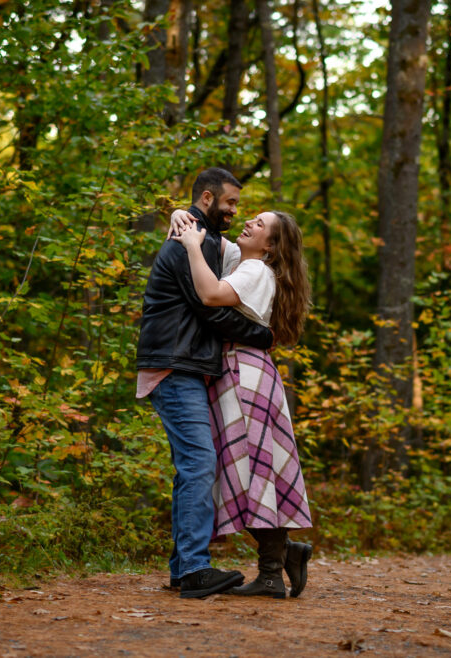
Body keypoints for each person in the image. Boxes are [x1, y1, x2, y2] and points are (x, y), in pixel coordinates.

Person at [136, 168, 275, 599]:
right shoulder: (188, 242)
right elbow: (209, 308)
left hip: (186, 366)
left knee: (190, 469)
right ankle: (195, 568)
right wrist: (265, 336)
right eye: (231, 203)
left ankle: (183, 568)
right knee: (200, 464)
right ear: (210, 198)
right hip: (174, 367)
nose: (237, 210)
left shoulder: (208, 240)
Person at [171, 208, 314, 599]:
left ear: (270, 246)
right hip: (242, 371)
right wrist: (181, 213)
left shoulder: (255, 272)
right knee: (243, 470)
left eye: (260, 224)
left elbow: (210, 294)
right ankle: (282, 555)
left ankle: (272, 572)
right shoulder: (245, 262)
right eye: (251, 216)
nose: (249, 222)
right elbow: (210, 235)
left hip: (243, 374)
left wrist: (190, 246)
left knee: (248, 471)